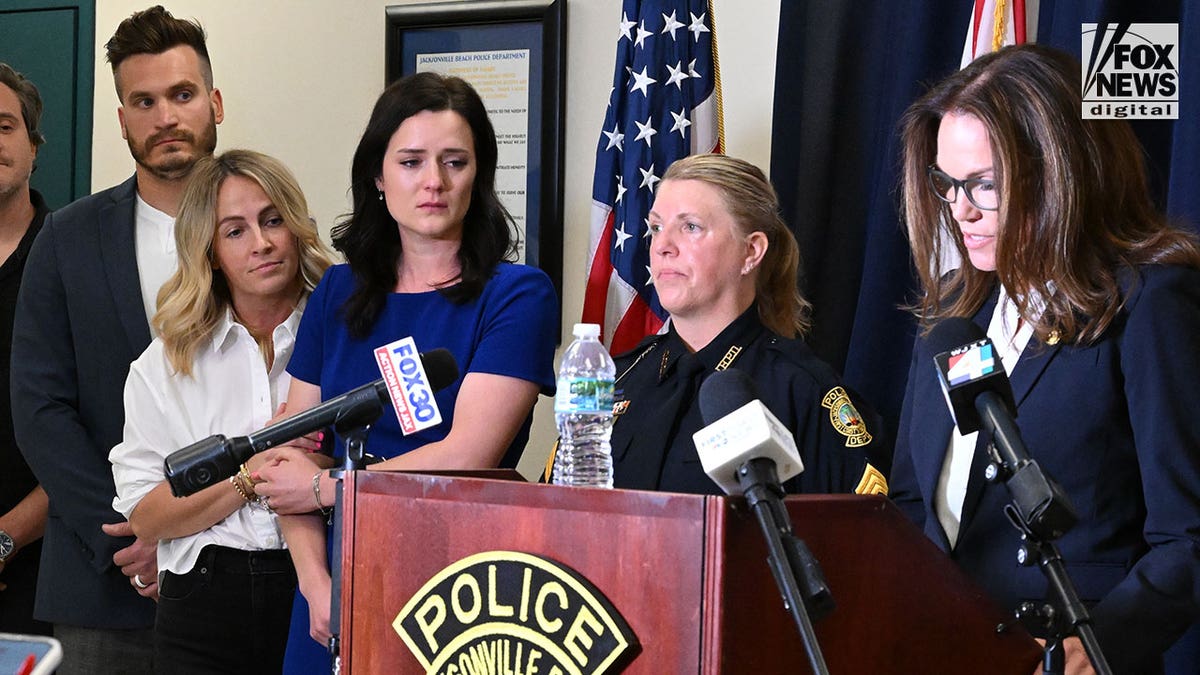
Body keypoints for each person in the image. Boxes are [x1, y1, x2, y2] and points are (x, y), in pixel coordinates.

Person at [889, 43, 1200, 675]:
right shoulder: (953, 320)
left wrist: (1097, 646)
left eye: (984, 186)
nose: (960, 210)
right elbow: (910, 503)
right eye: (946, 184)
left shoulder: (1148, 306)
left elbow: (1189, 539)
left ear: (1060, 172)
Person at [251, 71, 558, 672]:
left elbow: (467, 454)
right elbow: (286, 455)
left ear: (480, 176)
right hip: (330, 583)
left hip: (459, 588)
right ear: (378, 176)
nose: (434, 183)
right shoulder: (337, 291)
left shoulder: (518, 295)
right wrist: (317, 585)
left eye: (455, 162)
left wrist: (328, 487)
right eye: (412, 161)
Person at [11, 6, 223, 672]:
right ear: (123, 117)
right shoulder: (66, 240)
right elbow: (40, 408)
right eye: (144, 101)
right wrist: (131, 537)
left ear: (215, 102)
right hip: (102, 584)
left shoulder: (264, 233)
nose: (164, 116)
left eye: (182, 95)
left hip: (241, 577)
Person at [109, 150, 332, 673]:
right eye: (235, 231)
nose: (262, 243)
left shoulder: (346, 331)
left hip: (321, 583)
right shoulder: (165, 363)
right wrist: (250, 477)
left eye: (273, 220)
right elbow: (147, 511)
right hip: (204, 599)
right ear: (208, 252)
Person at [603, 153, 888, 496]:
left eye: (690, 227)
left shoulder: (802, 389)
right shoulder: (619, 377)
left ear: (751, 251)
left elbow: (860, 538)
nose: (662, 246)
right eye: (656, 228)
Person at [0, 62, 50, 636]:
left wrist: (6, 535)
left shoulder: (71, 262)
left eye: (5, 125)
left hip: (45, 564)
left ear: (34, 145)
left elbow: (98, 424)